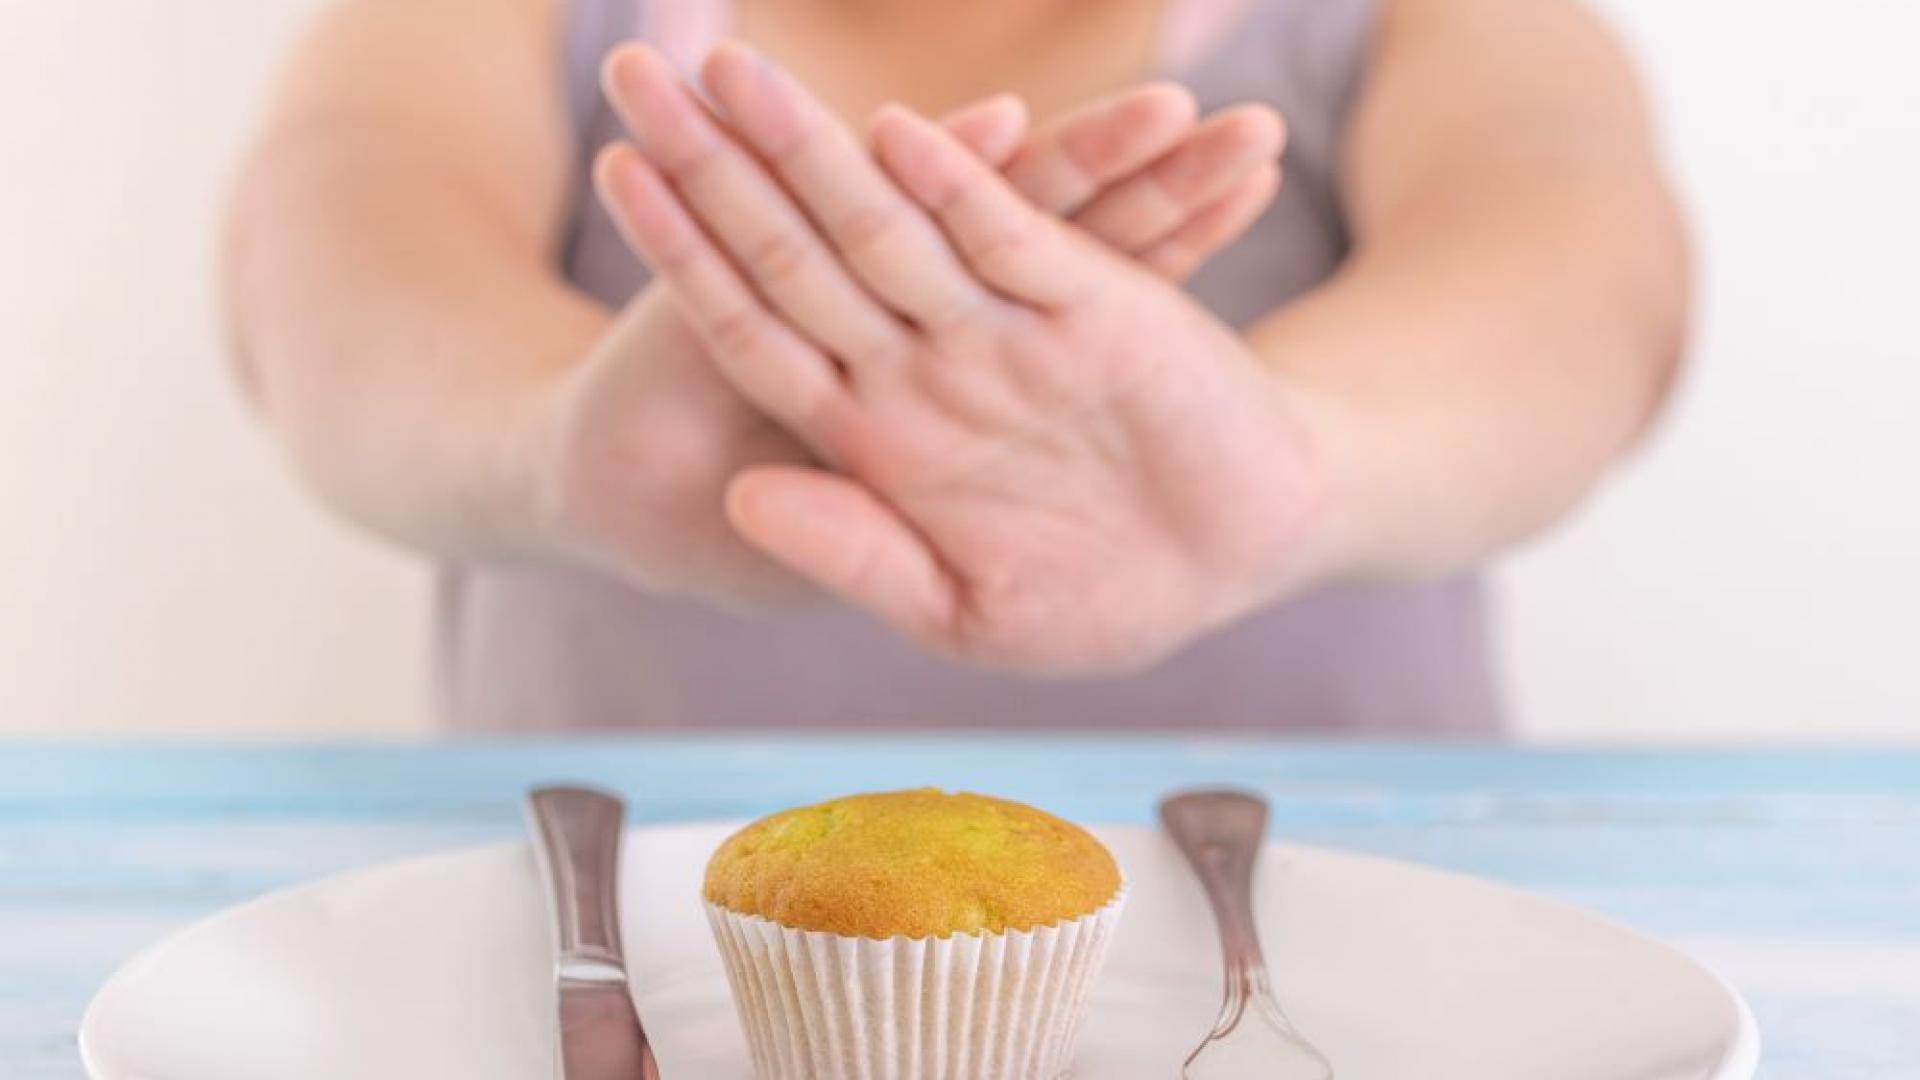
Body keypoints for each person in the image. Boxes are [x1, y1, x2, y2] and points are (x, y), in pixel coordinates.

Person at [226, 0, 1688, 733]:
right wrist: (565, 449)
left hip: (1332, 944)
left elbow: (1576, 270)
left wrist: (1293, 468)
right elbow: (338, 255)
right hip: (615, 963)